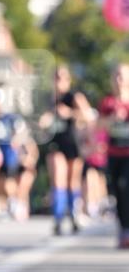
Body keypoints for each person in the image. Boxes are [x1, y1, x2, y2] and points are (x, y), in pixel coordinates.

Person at [39, 65, 93, 235]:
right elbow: (40, 120)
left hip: (72, 142)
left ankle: (74, 214)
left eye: (62, 77)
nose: (59, 81)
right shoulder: (48, 99)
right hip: (55, 142)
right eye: (56, 77)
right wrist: (45, 119)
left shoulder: (74, 97)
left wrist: (69, 113)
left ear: (68, 80)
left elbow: (88, 116)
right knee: (57, 178)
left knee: (72, 181)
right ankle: (58, 216)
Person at [98, 62, 129, 248]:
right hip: (114, 153)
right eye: (116, 76)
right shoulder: (108, 103)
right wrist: (112, 119)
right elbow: (99, 125)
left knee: (127, 186)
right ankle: (123, 227)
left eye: (123, 76)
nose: (119, 80)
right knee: (117, 189)